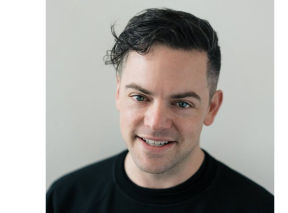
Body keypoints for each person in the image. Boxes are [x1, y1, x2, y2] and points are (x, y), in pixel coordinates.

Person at [45, 7, 275, 213]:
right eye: (139, 97)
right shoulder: (65, 199)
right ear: (118, 94)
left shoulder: (259, 207)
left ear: (211, 108)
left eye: (182, 103)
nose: (155, 123)